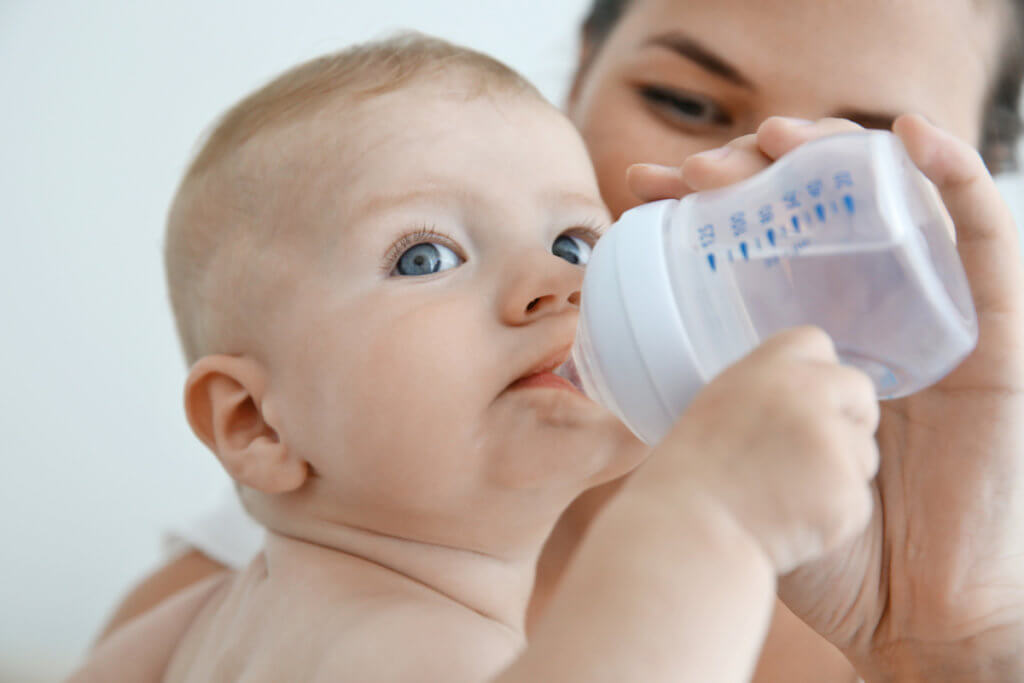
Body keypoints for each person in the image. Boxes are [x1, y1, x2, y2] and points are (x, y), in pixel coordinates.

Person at [98, 0, 1024, 679]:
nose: (557, 285)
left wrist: (948, 640)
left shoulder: (228, 617)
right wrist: (714, 520)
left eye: (575, 243)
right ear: (258, 421)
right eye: (426, 256)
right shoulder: (400, 637)